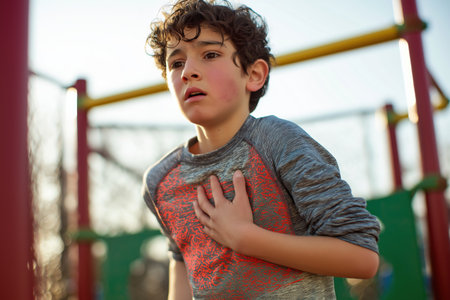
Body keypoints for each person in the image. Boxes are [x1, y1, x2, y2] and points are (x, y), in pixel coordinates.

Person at [142, 0, 380, 299]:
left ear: (254, 75)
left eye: (210, 54)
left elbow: (361, 255)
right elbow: (181, 261)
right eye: (176, 63)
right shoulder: (160, 181)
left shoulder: (278, 142)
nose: (188, 70)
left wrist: (246, 238)